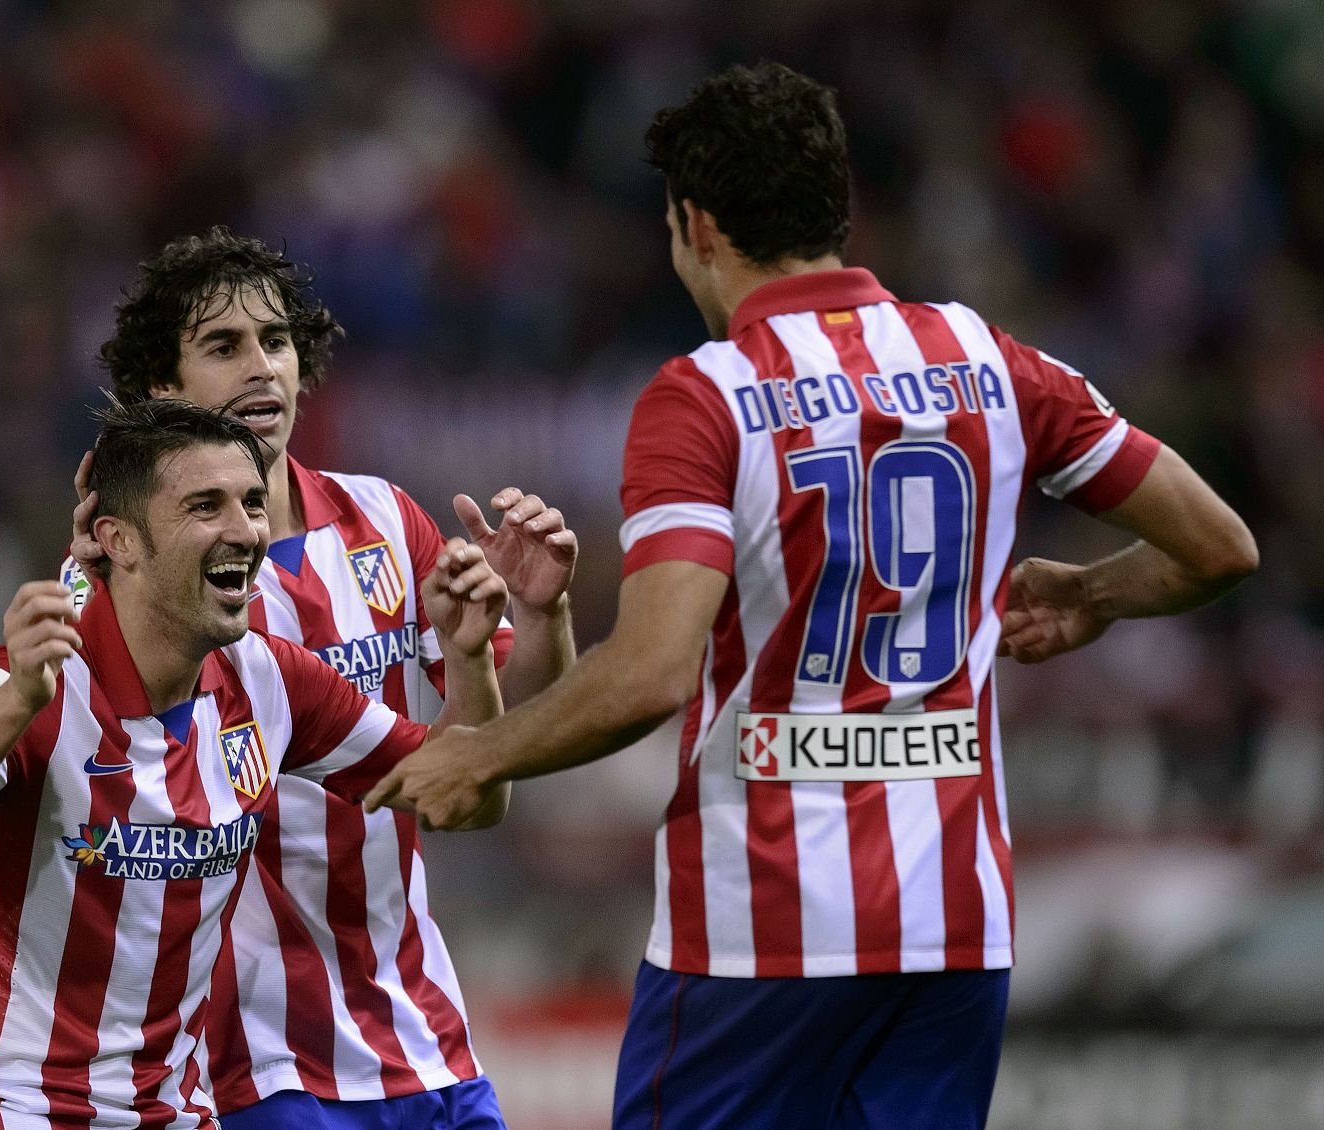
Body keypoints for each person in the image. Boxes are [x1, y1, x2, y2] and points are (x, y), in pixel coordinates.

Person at [363, 62, 1260, 1130]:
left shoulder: (707, 394)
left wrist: (482, 748)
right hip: (953, 929)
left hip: (761, 931)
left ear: (695, 224)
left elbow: (651, 671)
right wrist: (1097, 594)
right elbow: (1220, 546)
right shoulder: (987, 358)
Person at [0, 398, 510, 1130]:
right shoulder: (34, 677)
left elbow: (468, 798)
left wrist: (468, 657)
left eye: (252, 504)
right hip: (13, 1111)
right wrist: (14, 706)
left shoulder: (270, 680)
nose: (245, 531)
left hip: (178, 1113)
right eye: (206, 506)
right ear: (120, 541)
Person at [67, 228, 577, 1129]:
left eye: (276, 341)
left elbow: (495, 738)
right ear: (162, 388)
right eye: (222, 347)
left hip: (421, 1026)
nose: (260, 368)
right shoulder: (147, 576)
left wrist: (538, 616)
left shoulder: (382, 516)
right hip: (254, 1059)